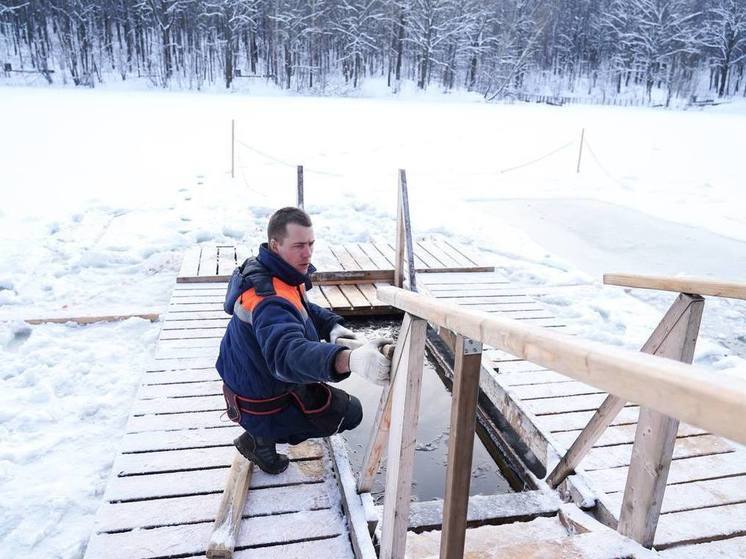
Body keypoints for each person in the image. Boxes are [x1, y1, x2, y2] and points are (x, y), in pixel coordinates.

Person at [216, 207, 392, 474]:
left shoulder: (272, 270)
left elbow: (301, 309)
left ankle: (259, 434)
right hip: (259, 402)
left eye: (311, 244)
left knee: (318, 383)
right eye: (299, 245)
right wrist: (349, 359)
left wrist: (332, 327)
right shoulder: (268, 300)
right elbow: (287, 355)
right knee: (351, 413)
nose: (307, 253)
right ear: (275, 245)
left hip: (250, 382)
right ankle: (259, 435)